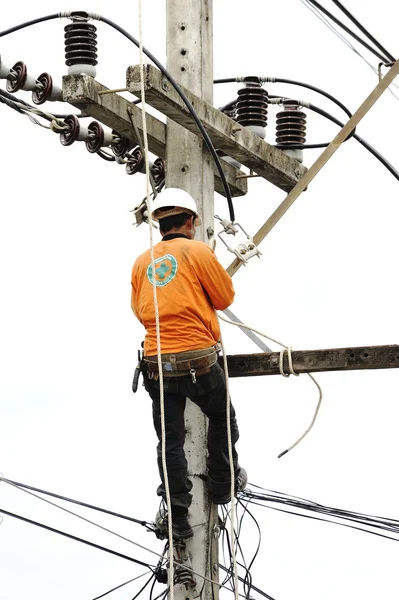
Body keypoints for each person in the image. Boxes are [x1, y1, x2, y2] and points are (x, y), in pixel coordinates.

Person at [131, 188, 246, 540]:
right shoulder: (198, 251)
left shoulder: (142, 261)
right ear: (191, 222)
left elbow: (139, 310)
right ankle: (223, 484)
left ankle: (178, 516)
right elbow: (225, 298)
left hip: (157, 364)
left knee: (170, 440)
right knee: (222, 418)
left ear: (160, 223)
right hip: (198, 360)